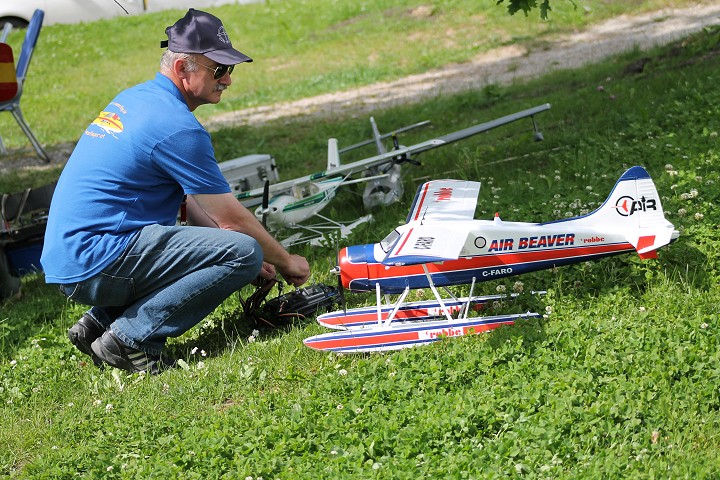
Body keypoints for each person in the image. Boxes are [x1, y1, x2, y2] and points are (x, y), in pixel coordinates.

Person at [40, 9, 310, 374]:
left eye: (231, 68)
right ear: (183, 68)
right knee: (243, 252)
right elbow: (232, 218)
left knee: (235, 251)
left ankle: (99, 323)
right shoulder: (177, 127)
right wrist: (284, 260)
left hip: (69, 259)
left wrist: (223, 249)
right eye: (219, 69)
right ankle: (130, 338)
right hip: (95, 260)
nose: (228, 79)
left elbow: (193, 202)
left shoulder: (136, 99)